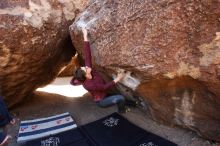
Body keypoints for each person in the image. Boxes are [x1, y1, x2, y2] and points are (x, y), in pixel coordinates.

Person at [70, 28, 131, 113]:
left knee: (124, 98)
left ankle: (133, 104)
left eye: (84, 66)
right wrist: (118, 78)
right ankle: (122, 110)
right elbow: (104, 87)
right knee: (120, 98)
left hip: (105, 94)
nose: (86, 66)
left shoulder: (88, 70)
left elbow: (87, 55)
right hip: (101, 101)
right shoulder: (88, 85)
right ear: (86, 75)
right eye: (85, 68)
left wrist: (85, 36)